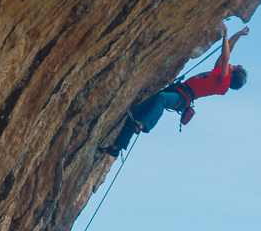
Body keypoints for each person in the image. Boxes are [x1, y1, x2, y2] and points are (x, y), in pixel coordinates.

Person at [99, 22, 249, 157]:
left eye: (233, 67)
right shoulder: (218, 72)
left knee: (162, 99)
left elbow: (226, 55)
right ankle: (115, 147)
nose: (231, 64)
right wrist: (239, 34)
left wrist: (226, 34)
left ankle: (145, 124)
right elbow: (228, 51)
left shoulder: (224, 83)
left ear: (232, 74)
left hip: (184, 99)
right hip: (179, 90)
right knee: (134, 112)